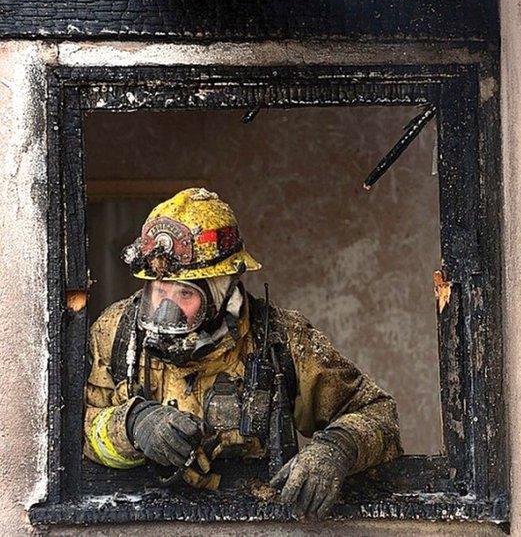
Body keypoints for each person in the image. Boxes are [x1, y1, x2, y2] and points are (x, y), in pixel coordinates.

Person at [84, 187, 402, 519]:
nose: (166, 309)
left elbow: (378, 414)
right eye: (158, 291)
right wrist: (133, 424)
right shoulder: (115, 333)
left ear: (223, 287)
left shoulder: (282, 338)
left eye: (184, 294)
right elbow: (81, 435)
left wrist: (338, 448)